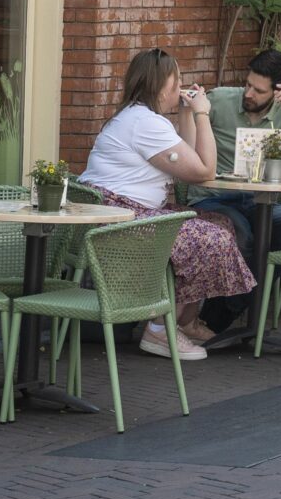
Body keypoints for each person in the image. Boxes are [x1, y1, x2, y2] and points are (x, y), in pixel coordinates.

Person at [77, 48, 256, 360]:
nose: (181, 86)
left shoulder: (139, 118)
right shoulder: (145, 124)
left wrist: (186, 113)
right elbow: (204, 171)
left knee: (219, 224)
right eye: (177, 81)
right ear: (161, 85)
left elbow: (189, 160)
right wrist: (202, 114)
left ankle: (181, 323)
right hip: (121, 222)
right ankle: (160, 330)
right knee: (212, 238)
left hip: (123, 214)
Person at [189, 48, 281, 333]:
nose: (249, 93)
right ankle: (216, 322)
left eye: (258, 90)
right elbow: (187, 145)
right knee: (242, 234)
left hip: (261, 199)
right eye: (247, 85)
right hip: (215, 197)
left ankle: (225, 315)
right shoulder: (219, 100)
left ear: (278, 92)